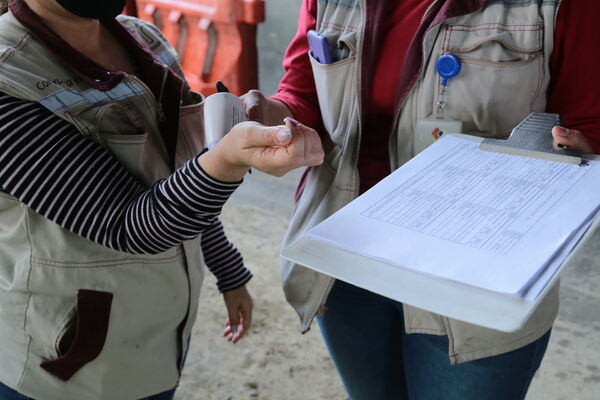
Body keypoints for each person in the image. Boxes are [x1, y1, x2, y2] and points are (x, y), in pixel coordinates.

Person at [242, 0, 600, 399]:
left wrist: (577, 154)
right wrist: (276, 117)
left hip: (478, 273)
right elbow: (302, 88)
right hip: (348, 252)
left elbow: (589, 121)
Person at [0, 0, 323, 399]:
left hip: (157, 332)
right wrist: (225, 162)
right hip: (70, 363)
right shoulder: (9, 78)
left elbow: (174, 173)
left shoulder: (144, 39)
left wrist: (228, 269)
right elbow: (128, 225)